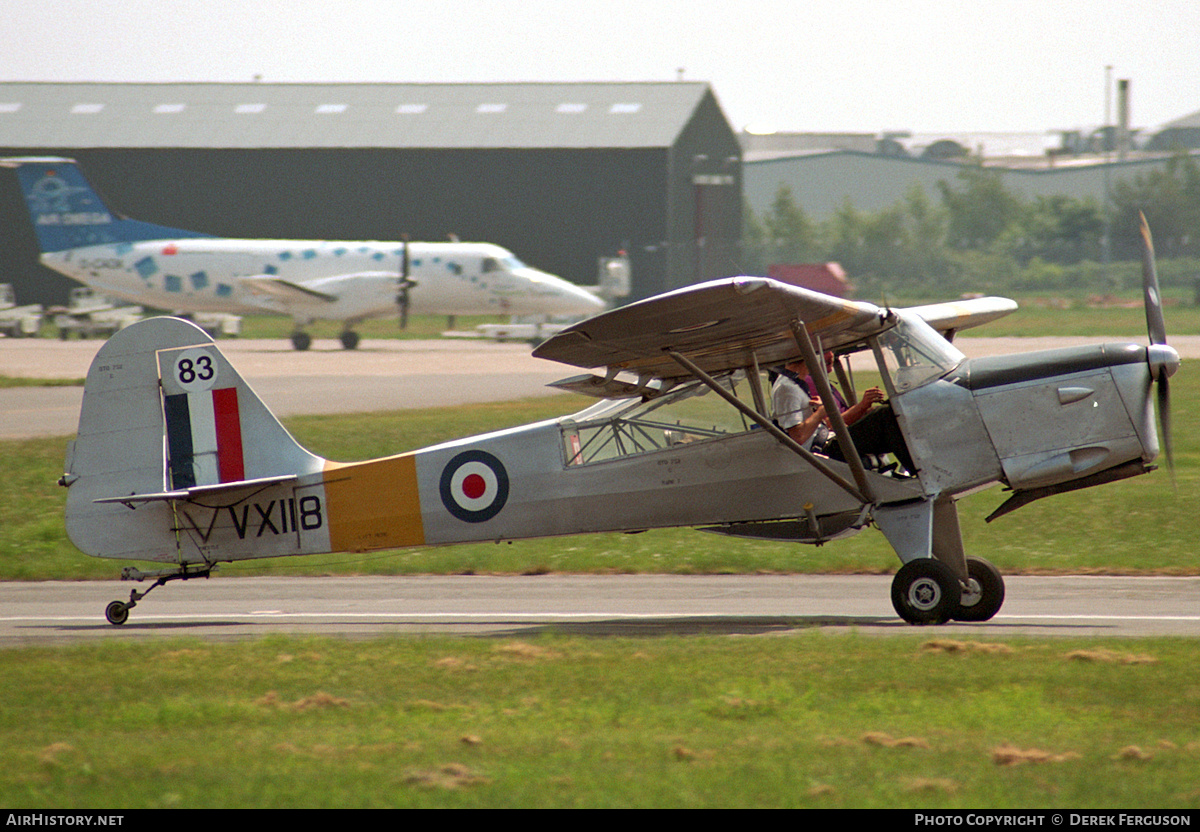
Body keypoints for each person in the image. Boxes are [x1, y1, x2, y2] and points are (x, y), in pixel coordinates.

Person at [770, 357, 828, 451]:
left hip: (822, 438)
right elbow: (797, 437)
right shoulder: (788, 388)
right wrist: (820, 413)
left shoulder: (792, 384)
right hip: (816, 451)